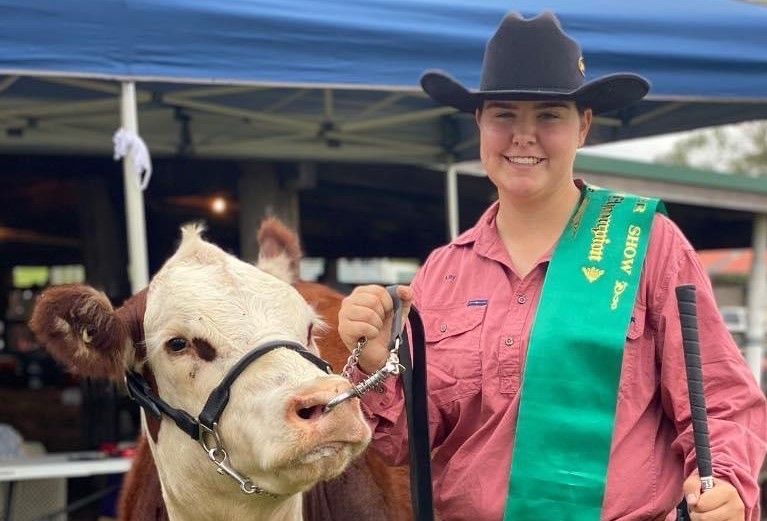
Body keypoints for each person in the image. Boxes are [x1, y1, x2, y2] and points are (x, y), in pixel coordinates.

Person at [337, 11, 767, 521]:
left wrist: (728, 486)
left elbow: (720, 398)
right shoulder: (442, 271)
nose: (524, 136)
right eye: (503, 115)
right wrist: (375, 362)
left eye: (549, 115)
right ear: (478, 124)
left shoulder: (647, 243)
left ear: (582, 126)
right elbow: (404, 445)